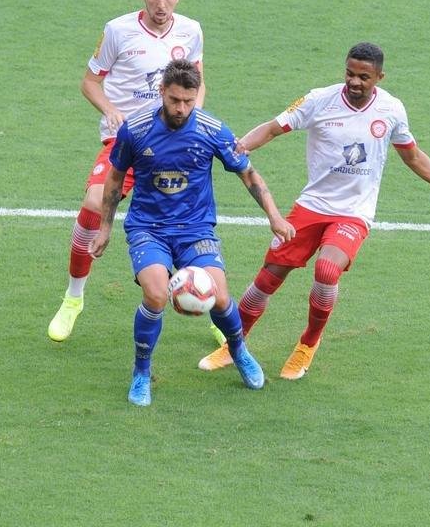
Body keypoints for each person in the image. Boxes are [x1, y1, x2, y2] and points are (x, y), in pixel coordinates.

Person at [198, 42, 430, 381]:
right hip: (312, 206)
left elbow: (413, 156)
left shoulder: (391, 110)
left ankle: (307, 344)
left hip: (353, 213)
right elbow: (273, 127)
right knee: (268, 278)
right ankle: (234, 344)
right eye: (350, 73)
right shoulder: (319, 100)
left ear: (379, 77)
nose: (355, 81)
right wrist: (240, 145)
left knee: (328, 269)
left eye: (364, 76)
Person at [90, 59, 296, 406]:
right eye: (174, 100)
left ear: (196, 94)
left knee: (219, 296)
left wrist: (275, 216)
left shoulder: (212, 129)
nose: (181, 108)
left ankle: (239, 350)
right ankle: (142, 372)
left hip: (195, 229)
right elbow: (114, 179)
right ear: (162, 93)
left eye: (188, 101)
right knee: (155, 296)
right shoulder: (136, 129)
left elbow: (248, 174)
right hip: (148, 228)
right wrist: (104, 228)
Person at [48, 0, 211, 342]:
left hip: (173, 141)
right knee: (92, 203)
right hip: (126, 140)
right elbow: (90, 82)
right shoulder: (118, 31)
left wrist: (194, 117)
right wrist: (110, 110)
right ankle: (73, 298)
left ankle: (215, 309)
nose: (161, 5)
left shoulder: (191, 31)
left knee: (189, 225)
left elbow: (198, 80)